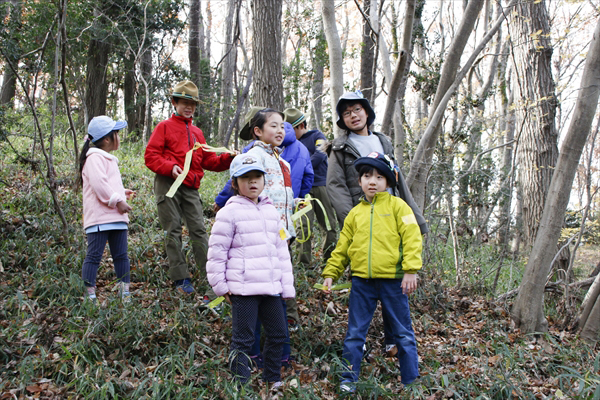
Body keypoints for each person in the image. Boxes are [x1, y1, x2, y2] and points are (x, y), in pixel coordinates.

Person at [326, 90, 428, 354]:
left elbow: (399, 182)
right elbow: (335, 185)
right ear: (342, 120)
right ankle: (358, 346)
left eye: (357, 110)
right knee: (369, 278)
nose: (353, 116)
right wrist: (352, 218)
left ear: (367, 113)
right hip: (363, 217)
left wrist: (416, 219)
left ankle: (393, 339)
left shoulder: (383, 141)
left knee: (393, 277)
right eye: (347, 114)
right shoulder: (338, 148)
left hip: (392, 218)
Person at [321, 152, 422, 394]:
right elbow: (343, 246)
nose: (372, 181)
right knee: (355, 332)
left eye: (379, 176)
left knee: (403, 333)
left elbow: (412, 238)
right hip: (362, 283)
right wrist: (331, 273)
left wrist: (410, 270)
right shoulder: (356, 213)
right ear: (360, 182)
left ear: (388, 181)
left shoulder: (399, 207)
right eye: (367, 176)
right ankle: (348, 379)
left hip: (393, 281)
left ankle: (410, 381)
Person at [206, 153, 295, 387]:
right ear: (235, 184)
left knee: (278, 335)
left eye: (257, 177)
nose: (252, 182)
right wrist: (220, 286)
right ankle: (240, 384)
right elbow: (217, 252)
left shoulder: (271, 212)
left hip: (271, 288)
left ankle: (272, 378)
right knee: (243, 340)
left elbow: (281, 252)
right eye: (246, 178)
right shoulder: (228, 212)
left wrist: (286, 286)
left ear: (265, 180)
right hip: (243, 290)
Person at [144, 80, 234, 294]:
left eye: (192, 103)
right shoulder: (164, 127)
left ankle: (210, 275)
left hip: (191, 186)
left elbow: (209, 161)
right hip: (169, 184)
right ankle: (180, 279)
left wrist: (228, 159)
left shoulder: (197, 133)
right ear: (175, 102)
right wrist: (170, 167)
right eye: (184, 102)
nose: (189, 107)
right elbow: (150, 156)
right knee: (172, 230)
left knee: (199, 230)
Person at [79, 116, 134, 302]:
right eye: (116, 133)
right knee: (94, 256)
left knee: (121, 256)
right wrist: (117, 201)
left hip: (115, 218)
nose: (119, 136)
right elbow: (99, 185)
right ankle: (89, 295)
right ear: (107, 139)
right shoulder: (94, 158)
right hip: (100, 219)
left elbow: (107, 184)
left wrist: (121, 192)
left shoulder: (108, 158)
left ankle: (124, 292)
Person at [284, 107, 337, 267]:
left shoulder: (317, 136)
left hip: (320, 185)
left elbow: (321, 154)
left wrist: (302, 165)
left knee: (328, 224)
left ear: (300, 126)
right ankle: (303, 263)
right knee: (303, 227)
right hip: (301, 190)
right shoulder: (290, 144)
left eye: (291, 129)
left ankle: (329, 261)